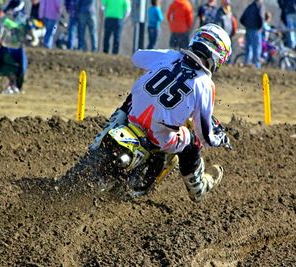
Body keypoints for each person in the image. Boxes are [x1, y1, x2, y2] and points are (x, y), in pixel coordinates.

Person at [90, 24, 232, 202]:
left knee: (132, 98)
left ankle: (105, 133)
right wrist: (219, 138)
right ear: (218, 57)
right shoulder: (205, 85)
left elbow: (137, 57)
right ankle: (198, 187)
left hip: (134, 117)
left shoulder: (170, 56)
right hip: (160, 137)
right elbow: (205, 135)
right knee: (193, 139)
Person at [240, 0, 264, 68]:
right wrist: (260, 27)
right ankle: (257, 66)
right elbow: (261, 17)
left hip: (248, 29)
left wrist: (247, 25)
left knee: (248, 48)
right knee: (256, 48)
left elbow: (242, 19)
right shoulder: (260, 5)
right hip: (256, 30)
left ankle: (247, 64)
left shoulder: (250, 6)